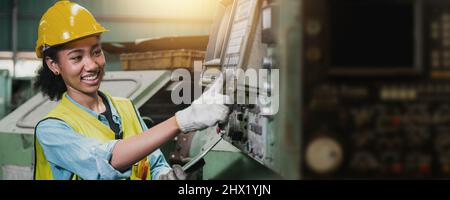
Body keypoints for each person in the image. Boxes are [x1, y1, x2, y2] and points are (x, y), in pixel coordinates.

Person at [33, 0, 230, 180]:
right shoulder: (52, 129)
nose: (92, 65)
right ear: (54, 65)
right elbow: (106, 161)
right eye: (76, 58)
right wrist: (181, 121)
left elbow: (154, 164)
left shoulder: (125, 108)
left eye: (96, 52)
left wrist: (162, 175)